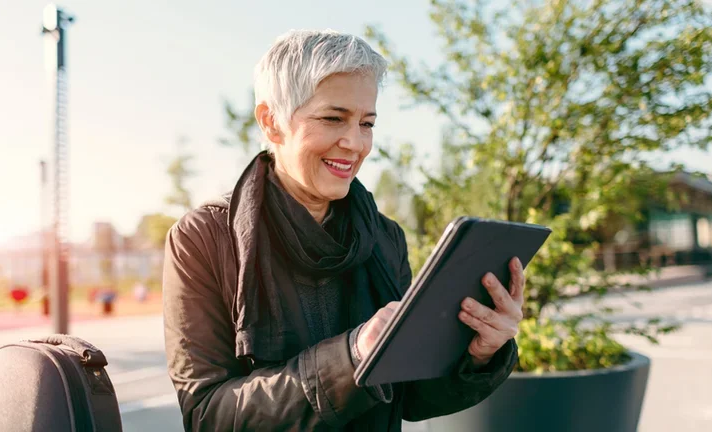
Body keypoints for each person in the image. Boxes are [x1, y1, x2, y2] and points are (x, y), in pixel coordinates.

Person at [163, 29, 526, 431]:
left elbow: (411, 397)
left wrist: (479, 353)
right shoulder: (202, 238)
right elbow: (206, 415)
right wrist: (353, 356)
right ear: (271, 122)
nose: (355, 143)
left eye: (366, 123)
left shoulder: (385, 238)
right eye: (333, 118)